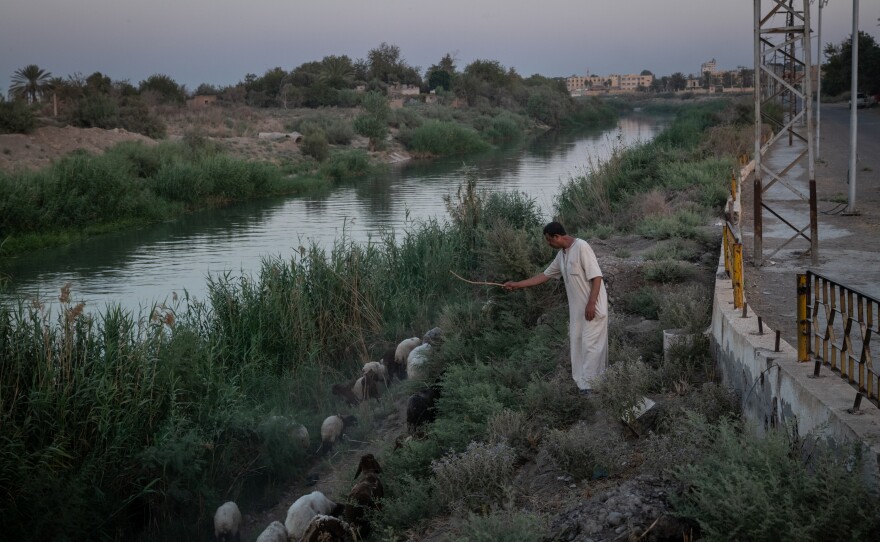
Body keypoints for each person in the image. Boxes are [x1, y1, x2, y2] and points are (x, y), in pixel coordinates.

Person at [504, 221, 608, 394]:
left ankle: (592, 386)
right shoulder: (562, 255)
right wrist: (517, 285)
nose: (548, 244)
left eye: (549, 240)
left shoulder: (582, 247)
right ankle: (583, 384)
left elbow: (597, 277)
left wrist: (591, 303)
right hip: (577, 312)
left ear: (557, 237)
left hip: (593, 308)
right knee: (577, 344)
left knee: (591, 345)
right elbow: (544, 275)